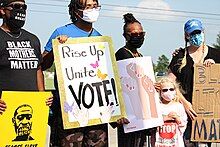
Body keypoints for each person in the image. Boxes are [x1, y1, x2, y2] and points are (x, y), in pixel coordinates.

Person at [41, 0, 108, 146]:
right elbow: (43, 64)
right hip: (69, 108)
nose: (93, 9)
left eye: (95, 6)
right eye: (88, 6)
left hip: (96, 108)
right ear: (77, 11)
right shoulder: (61, 32)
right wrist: (55, 47)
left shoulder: (100, 37)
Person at [168, 19, 220, 147]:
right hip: (185, 116)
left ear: (203, 32)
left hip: (208, 118)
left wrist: (214, 70)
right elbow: (169, 84)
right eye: (192, 33)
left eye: (198, 32)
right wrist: (185, 103)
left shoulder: (216, 54)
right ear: (186, 35)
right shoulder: (179, 56)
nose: (196, 36)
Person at [0, 0, 52, 114]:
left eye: (24, 7)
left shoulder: (33, 39)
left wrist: (42, 94)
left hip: (31, 108)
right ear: (2, 10)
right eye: (16, 6)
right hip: (5, 109)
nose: (21, 10)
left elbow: (37, 69)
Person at [114, 13, 153, 147]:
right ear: (126, 36)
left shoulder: (139, 55)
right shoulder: (122, 54)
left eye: (141, 34)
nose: (139, 37)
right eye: (135, 34)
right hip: (129, 114)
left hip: (140, 112)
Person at [152, 77, 187, 147]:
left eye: (171, 89)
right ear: (160, 92)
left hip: (175, 143)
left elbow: (184, 123)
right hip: (160, 143)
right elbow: (151, 123)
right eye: (165, 90)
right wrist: (165, 118)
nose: (168, 92)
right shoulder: (157, 106)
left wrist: (178, 119)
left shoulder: (179, 106)